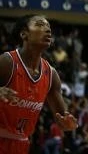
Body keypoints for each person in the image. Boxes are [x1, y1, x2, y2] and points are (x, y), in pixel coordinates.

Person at [0, 14, 78, 152]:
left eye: (48, 26)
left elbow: (62, 119)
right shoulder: (7, 62)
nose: (47, 30)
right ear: (24, 34)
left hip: (22, 143)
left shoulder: (51, 75)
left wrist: (68, 125)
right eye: (40, 25)